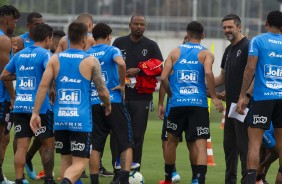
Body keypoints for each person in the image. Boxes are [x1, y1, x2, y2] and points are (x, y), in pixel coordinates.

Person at [29, 21, 111, 184]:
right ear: (84, 40)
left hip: (60, 119)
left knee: (66, 160)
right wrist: (108, 104)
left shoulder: (55, 59)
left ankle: (66, 179)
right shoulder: (91, 61)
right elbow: (101, 90)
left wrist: (35, 113)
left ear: (66, 39)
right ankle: (66, 181)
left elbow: (43, 87)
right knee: (80, 162)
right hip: (80, 120)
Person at [159, 21, 223, 184]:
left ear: (187, 35)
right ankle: (198, 180)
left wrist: (172, 94)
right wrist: (214, 97)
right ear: (203, 36)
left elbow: (163, 77)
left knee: (171, 142)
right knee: (200, 144)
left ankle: (168, 179)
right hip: (198, 105)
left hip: (177, 104)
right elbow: (208, 72)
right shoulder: (206, 53)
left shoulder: (174, 52)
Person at [1, 24, 55, 184]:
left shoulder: (19, 55)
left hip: (20, 106)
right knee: (48, 144)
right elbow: (50, 74)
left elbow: (4, 75)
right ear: (48, 38)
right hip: (40, 107)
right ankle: (49, 179)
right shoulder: (46, 55)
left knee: (22, 145)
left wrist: (22, 77)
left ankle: (19, 179)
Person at [112, 14, 163, 171]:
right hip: (120, 96)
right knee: (117, 135)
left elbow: (160, 68)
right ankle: (118, 169)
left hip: (141, 98)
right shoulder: (119, 42)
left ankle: (134, 171)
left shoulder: (151, 45)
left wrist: (140, 70)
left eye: (142, 24)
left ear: (145, 27)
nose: (139, 27)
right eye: (136, 24)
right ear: (130, 25)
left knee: (137, 136)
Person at [236, 10, 282, 184]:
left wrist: (242, 95)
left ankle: (251, 181)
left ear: (267, 24)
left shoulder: (258, 40)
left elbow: (250, 69)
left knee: (254, 144)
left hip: (263, 99)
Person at [86, 22, 133, 184]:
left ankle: (94, 181)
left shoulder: (87, 54)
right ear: (108, 37)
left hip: (93, 102)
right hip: (113, 101)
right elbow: (121, 63)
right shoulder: (112, 50)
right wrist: (121, 84)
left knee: (96, 145)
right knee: (125, 142)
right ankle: (124, 179)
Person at [214, 14, 250, 184]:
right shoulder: (228, 50)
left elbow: (254, 75)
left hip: (244, 107)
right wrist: (201, 82)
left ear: (239, 27)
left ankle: (247, 180)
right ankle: (230, 181)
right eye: (224, 28)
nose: (226, 30)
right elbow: (221, 77)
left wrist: (245, 97)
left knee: (244, 148)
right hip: (231, 108)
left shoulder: (248, 46)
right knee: (229, 147)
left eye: (230, 27)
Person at [0, 5, 20, 184]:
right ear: (6, 20)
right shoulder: (4, 40)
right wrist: (13, 96)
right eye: (14, 21)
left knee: (5, 137)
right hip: (1, 97)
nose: (15, 25)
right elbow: (5, 74)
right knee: (3, 136)